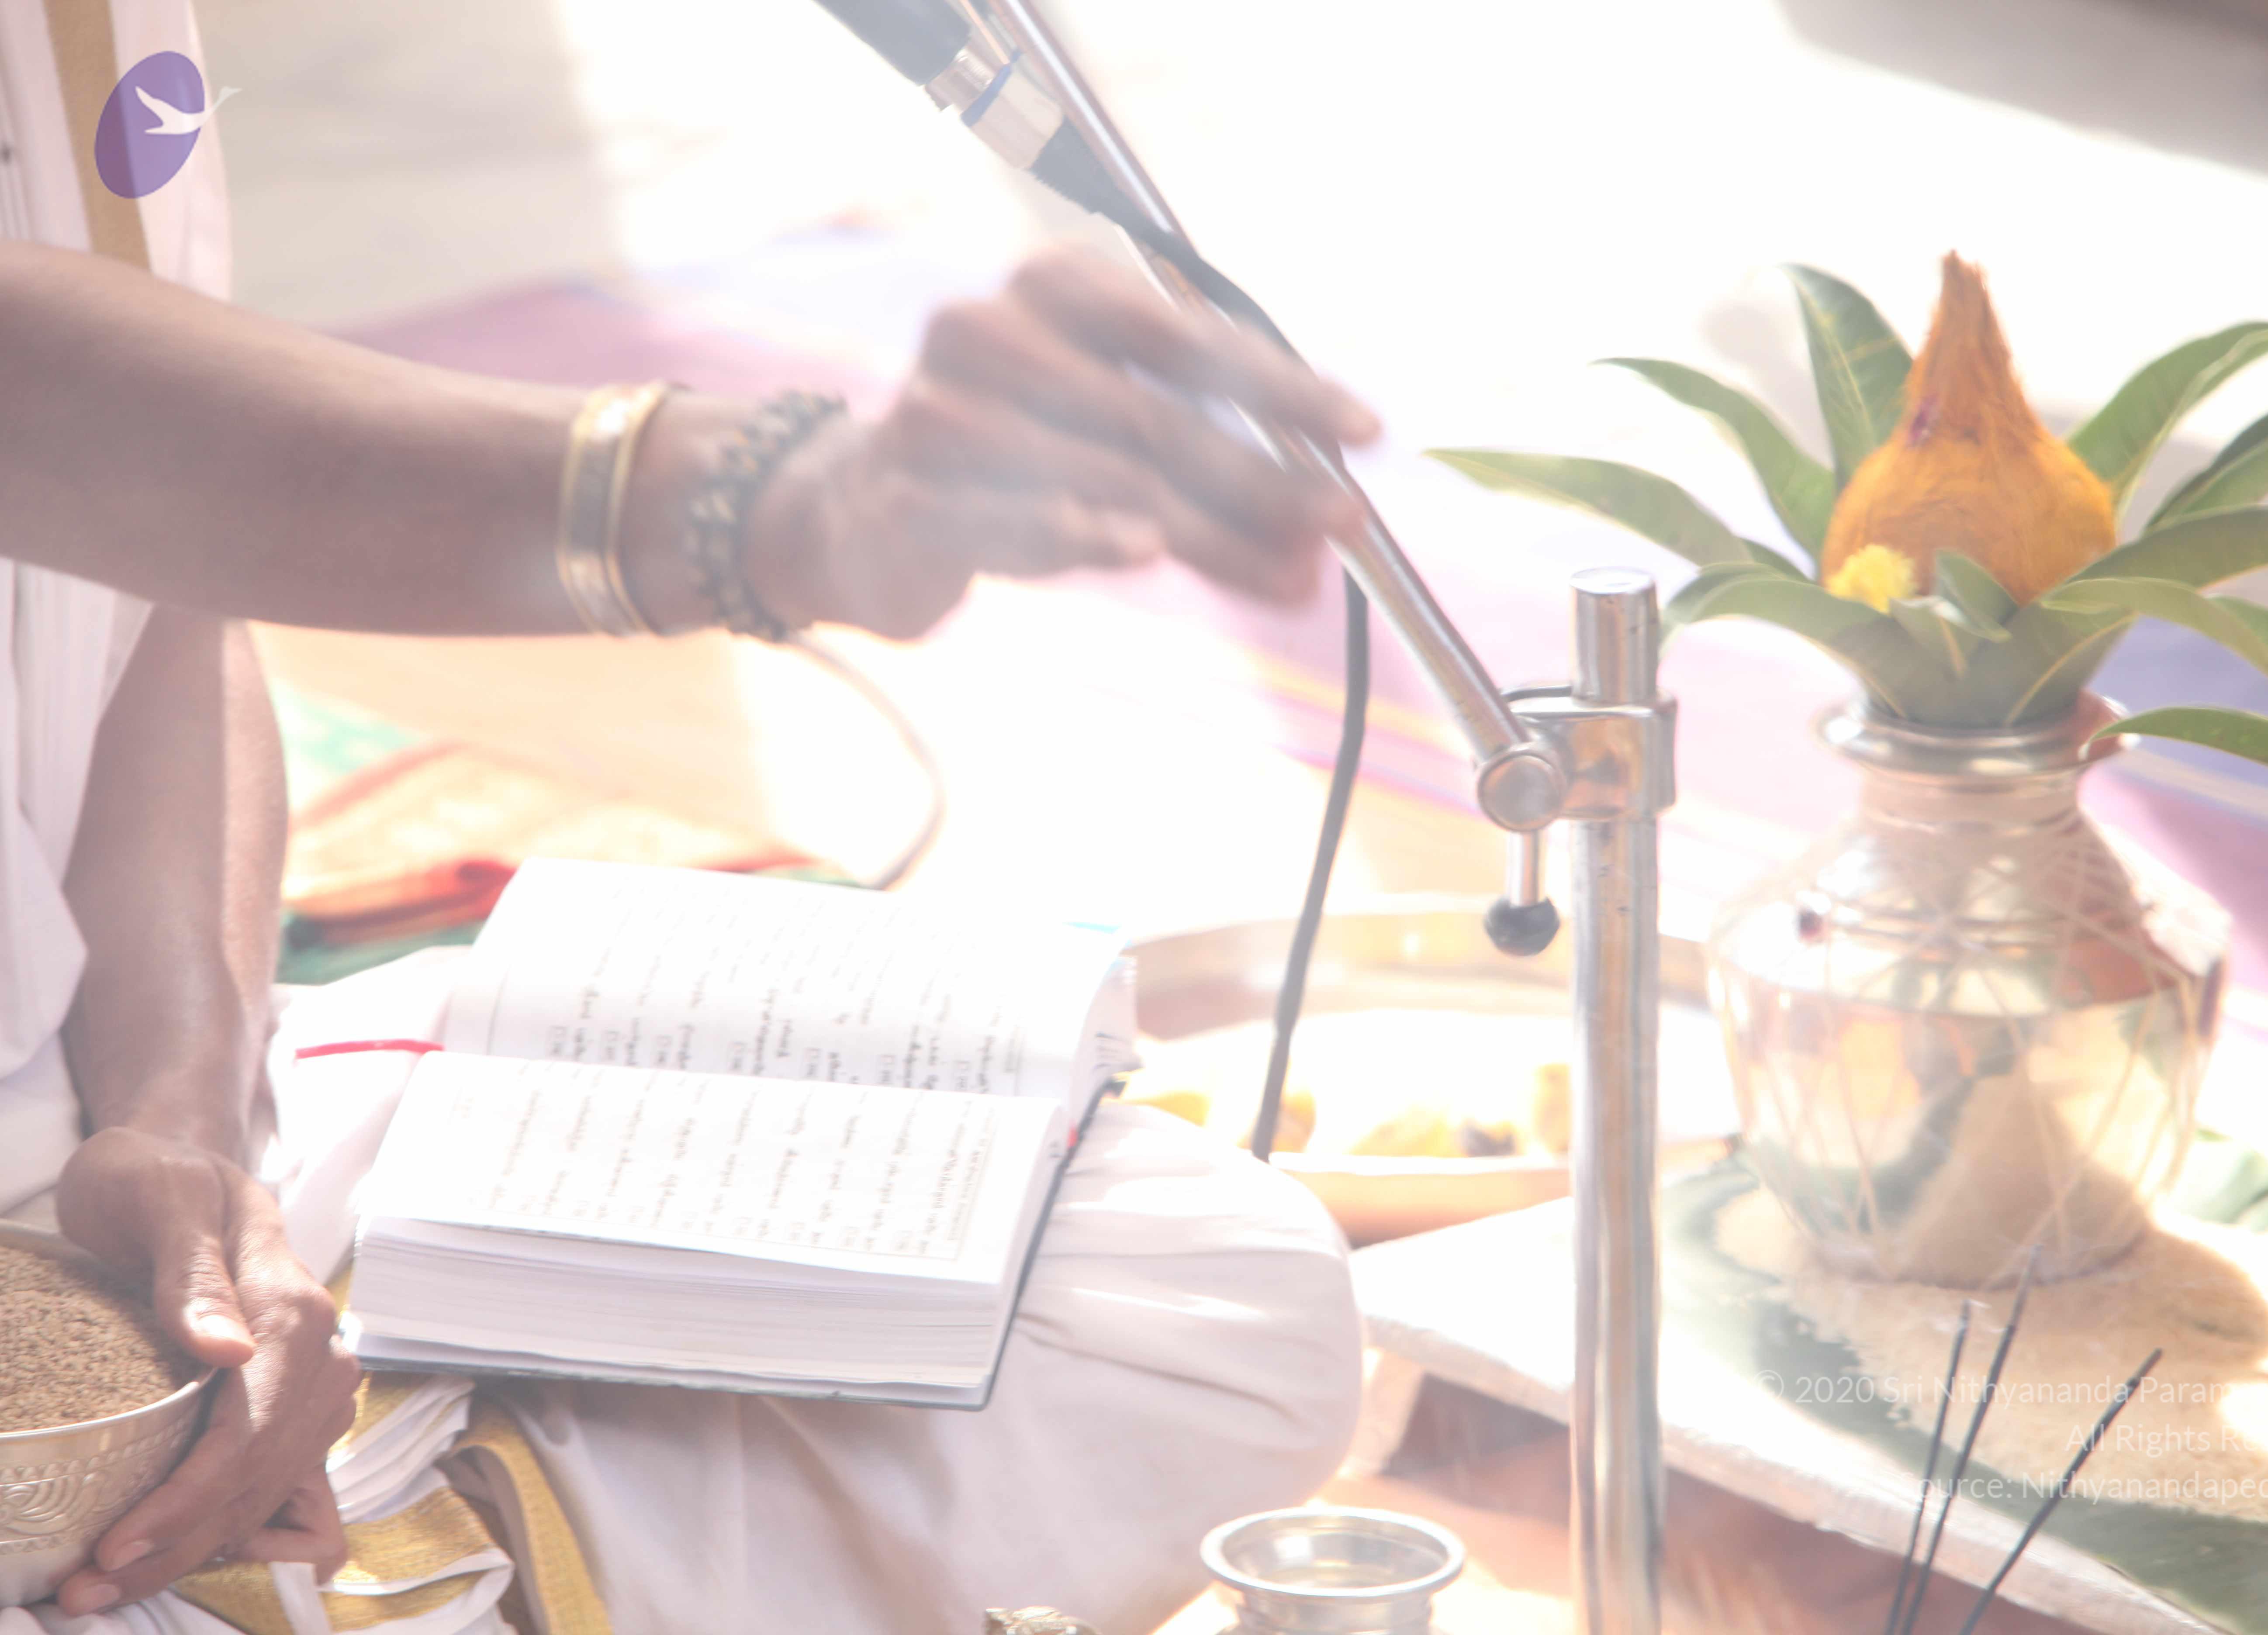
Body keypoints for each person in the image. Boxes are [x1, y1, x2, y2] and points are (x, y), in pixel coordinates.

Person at [0, 4, 1375, 1631]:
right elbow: (62, 403)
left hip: (102, 1136)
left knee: (1205, 1298)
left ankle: (426, 1524)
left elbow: (157, 589)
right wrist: (775, 501)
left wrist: (174, 1122)